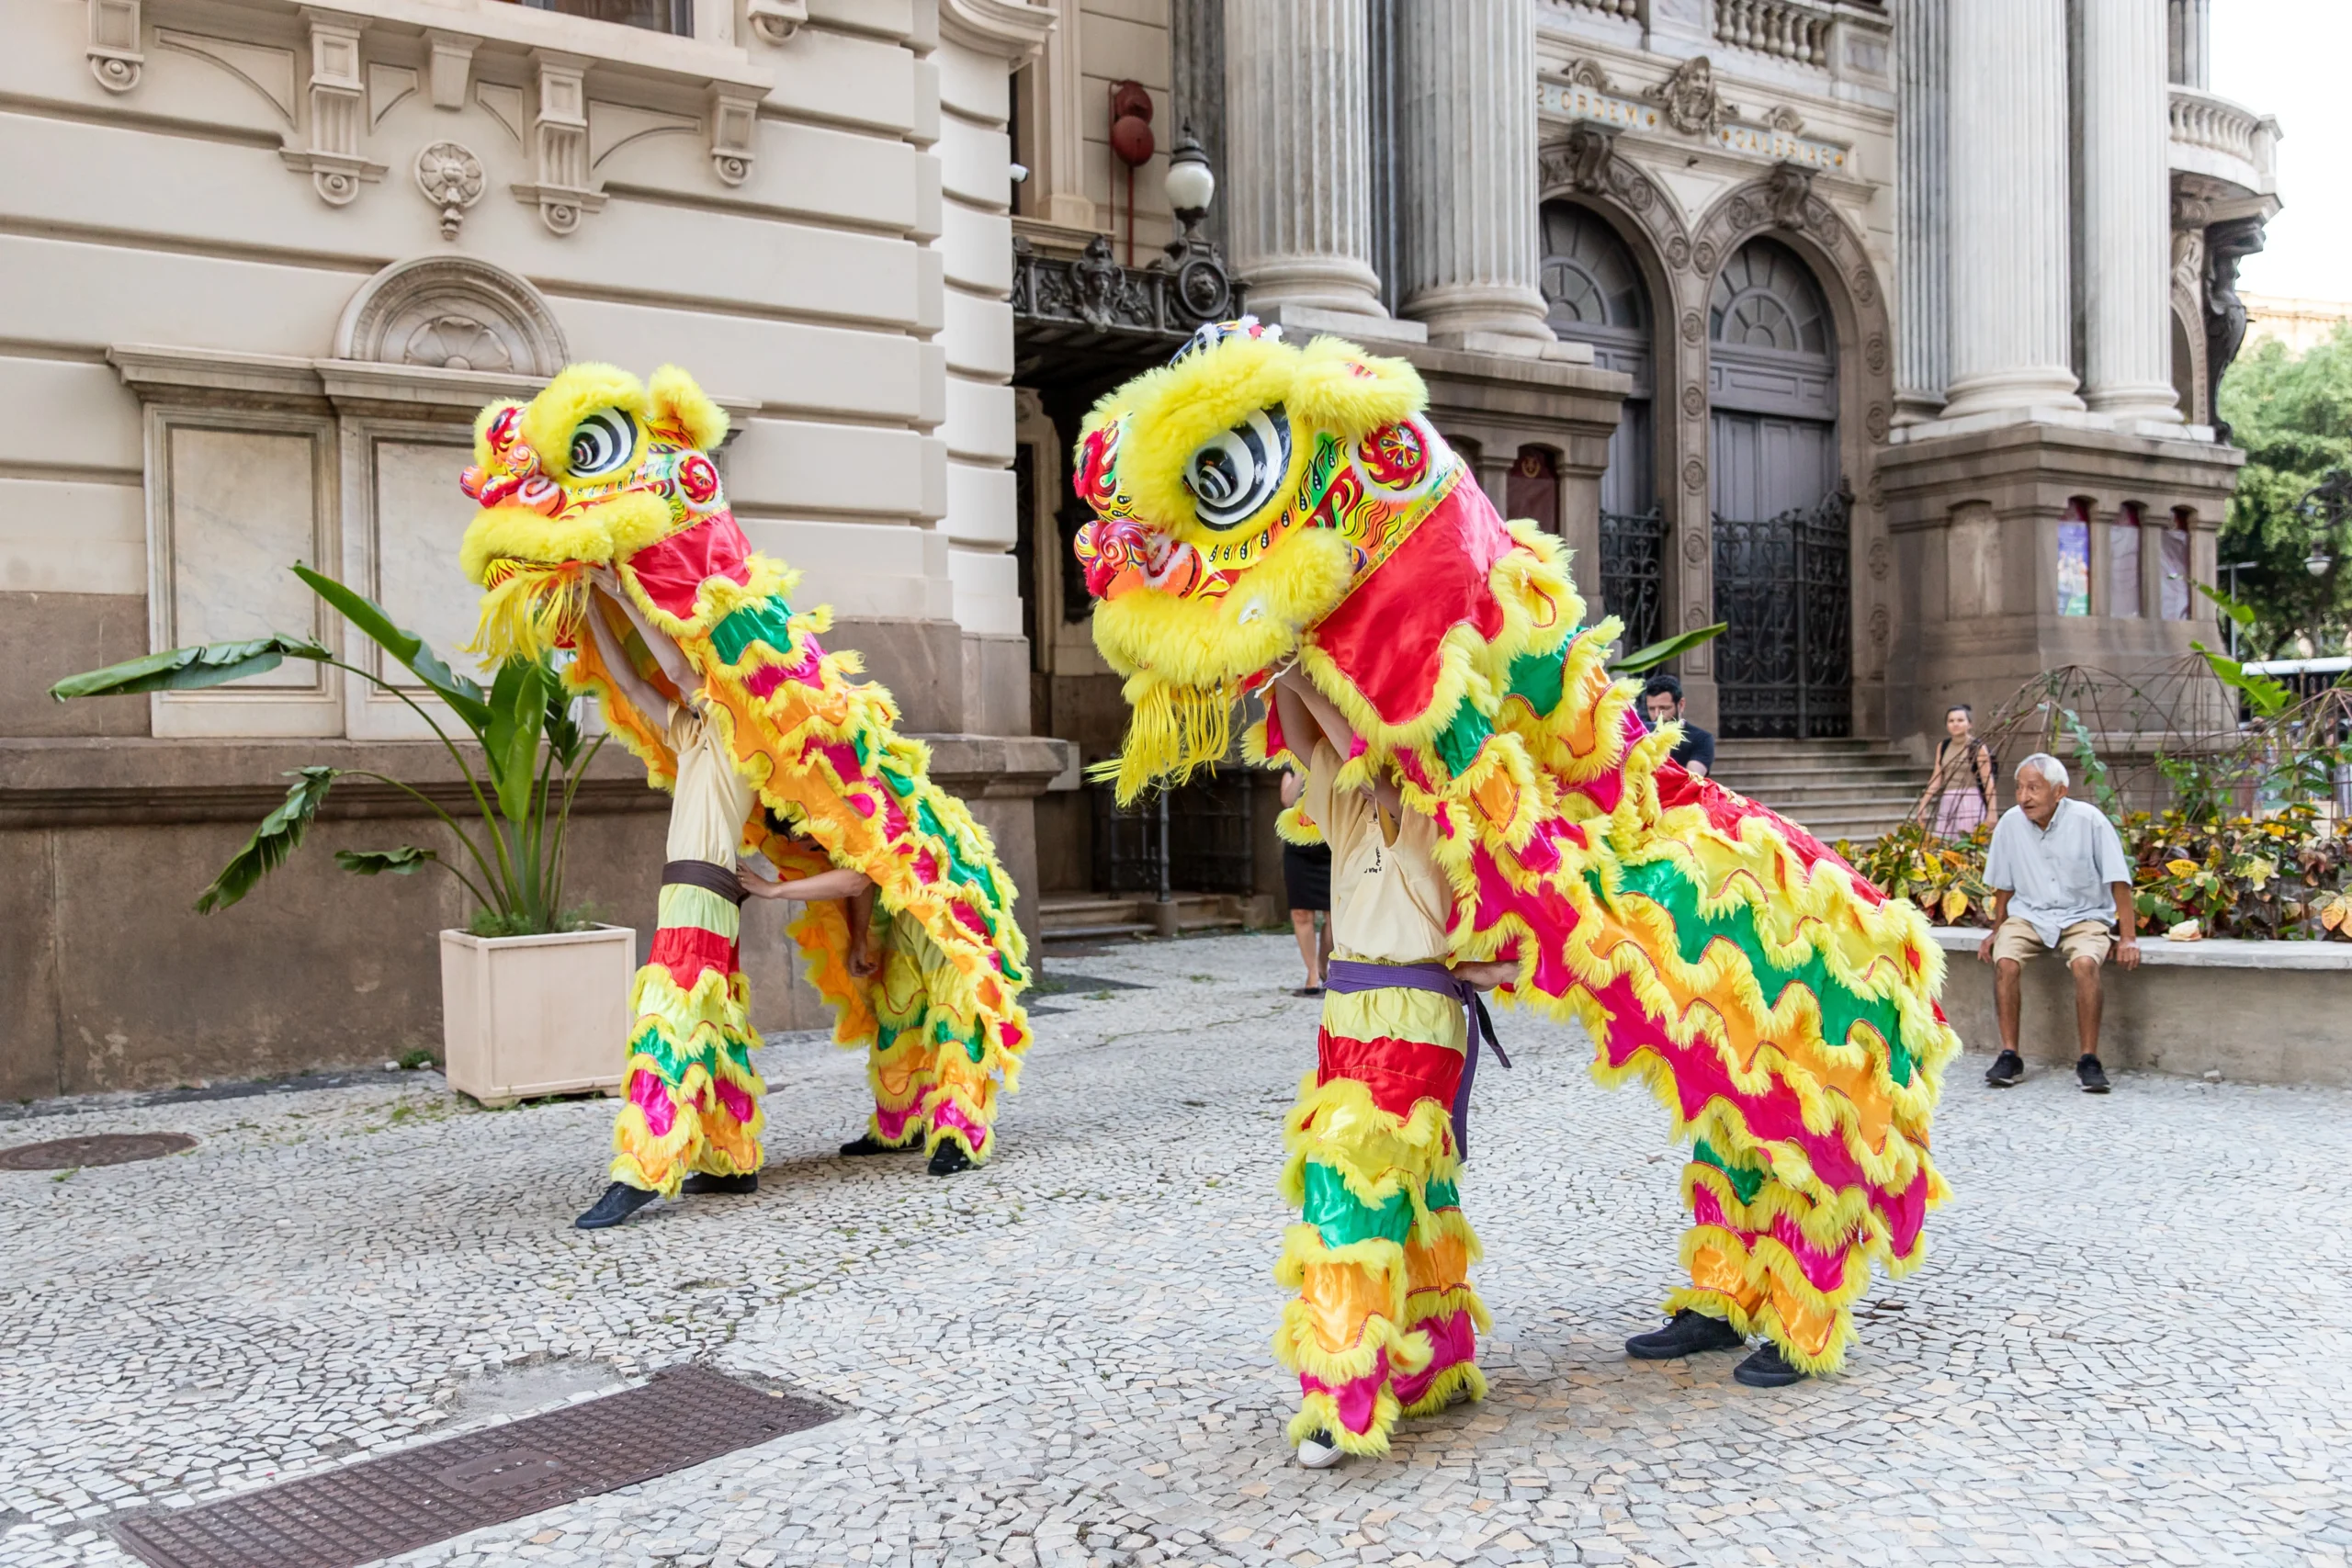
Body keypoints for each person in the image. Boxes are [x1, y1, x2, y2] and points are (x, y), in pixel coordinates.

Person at [1266, 667, 1511, 1469]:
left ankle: (1343, 1390)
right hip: (1345, 1012)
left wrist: (1311, 671)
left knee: (1348, 1183)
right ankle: (1434, 1351)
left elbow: (1364, 756)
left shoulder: (1436, 801)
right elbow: (1309, 742)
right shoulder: (1346, 802)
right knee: (1418, 1184)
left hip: (1415, 1014)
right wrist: (1285, 668)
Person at [1977, 753, 2141, 1093]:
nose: (2024, 797)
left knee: (2084, 964)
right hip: (2030, 914)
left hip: (2084, 915)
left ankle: (2089, 1059)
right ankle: (2010, 1055)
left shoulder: (2089, 821)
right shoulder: (2010, 823)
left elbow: (2118, 882)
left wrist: (2128, 938)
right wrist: (1997, 931)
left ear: (2060, 791)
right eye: (2020, 788)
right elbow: (2004, 887)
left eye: (2034, 788)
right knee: (2005, 960)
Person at [1279, 768, 1333, 996]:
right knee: (1301, 913)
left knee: (1334, 915)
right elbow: (1287, 800)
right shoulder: (1291, 769)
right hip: (1298, 849)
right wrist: (1303, 769)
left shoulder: (1333, 761)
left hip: (1331, 846)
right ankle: (1311, 972)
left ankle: (1323, 963)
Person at [1914, 704, 1996, 838]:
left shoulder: (1977, 747)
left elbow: (1988, 781)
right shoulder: (1943, 746)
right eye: (1951, 721)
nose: (1955, 724)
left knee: (1966, 843)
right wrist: (1923, 804)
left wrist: (1992, 811)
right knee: (1945, 844)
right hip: (1948, 800)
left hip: (1969, 799)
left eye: (1960, 720)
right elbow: (1937, 777)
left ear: (1969, 724)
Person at [1640, 673, 1714, 779]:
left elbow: (1692, 779)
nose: (1657, 715)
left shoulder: (1701, 739)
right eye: (1651, 709)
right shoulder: (1640, 733)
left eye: (1664, 708)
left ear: (1681, 705)